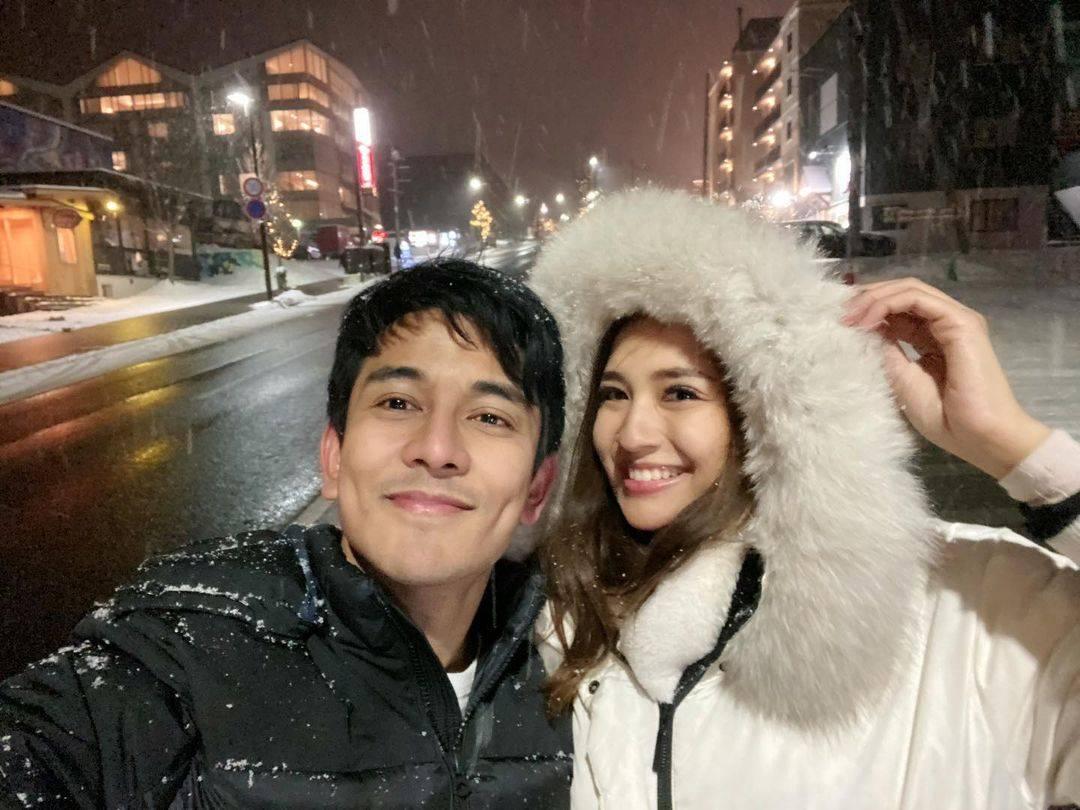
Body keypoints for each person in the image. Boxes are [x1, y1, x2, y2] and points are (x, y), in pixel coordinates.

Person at [528, 189, 1080, 809]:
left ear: (763, 415)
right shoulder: (561, 625)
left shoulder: (971, 613)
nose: (632, 434)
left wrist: (1015, 448)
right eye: (612, 394)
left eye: (680, 393)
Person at [0, 260, 573, 808]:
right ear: (334, 457)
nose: (437, 448)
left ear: (537, 488)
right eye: (398, 402)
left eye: (490, 417)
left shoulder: (575, 670)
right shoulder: (193, 647)